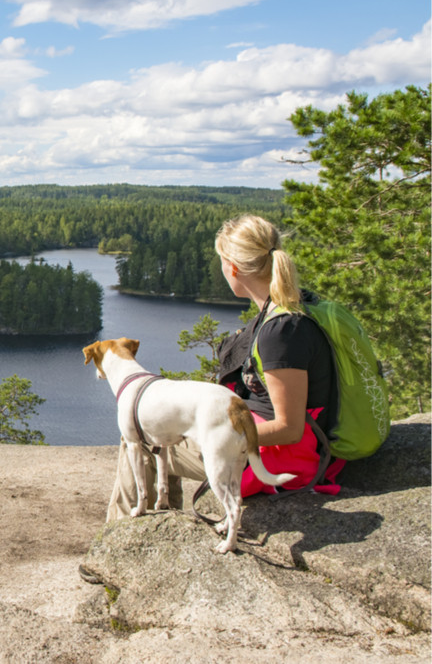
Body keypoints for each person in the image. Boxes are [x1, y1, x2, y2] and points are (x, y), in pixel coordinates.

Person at [106, 214, 341, 523]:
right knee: (167, 424)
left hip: (281, 459)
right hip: (269, 441)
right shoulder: (288, 309)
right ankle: (165, 522)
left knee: (143, 437)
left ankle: (122, 533)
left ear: (232, 268)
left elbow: (290, 428)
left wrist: (218, 433)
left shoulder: (282, 332)